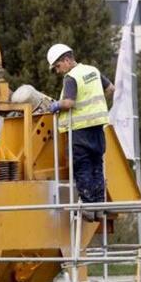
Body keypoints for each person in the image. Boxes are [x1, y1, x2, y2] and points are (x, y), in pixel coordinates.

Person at [46, 43, 114, 222]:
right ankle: (99, 207)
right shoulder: (93, 71)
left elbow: (69, 103)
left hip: (79, 131)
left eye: (58, 66)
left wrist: (56, 105)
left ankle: (88, 208)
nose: (58, 71)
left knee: (82, 168)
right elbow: (110, 89)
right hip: (97, 128)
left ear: (67, 60)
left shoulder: (71, 77)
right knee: (97, 167)